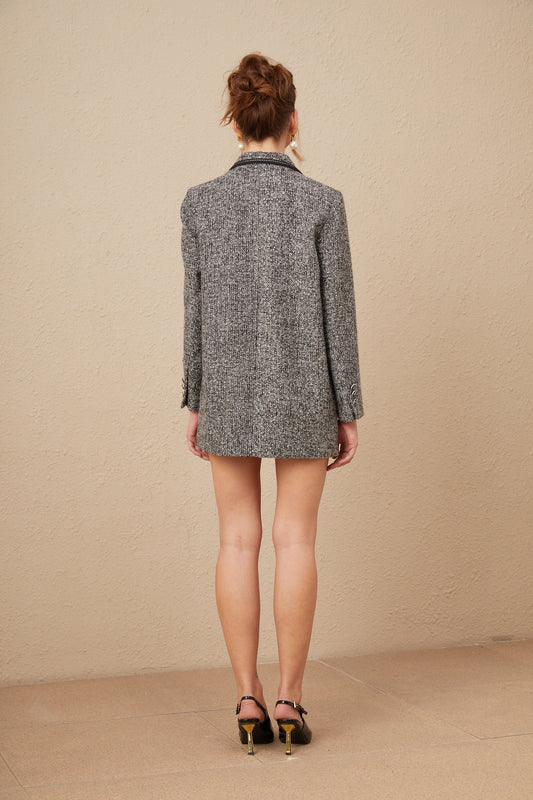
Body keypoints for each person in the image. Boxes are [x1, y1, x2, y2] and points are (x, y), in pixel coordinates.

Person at [179, 52, 364, 756]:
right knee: (296, 541)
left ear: (235, 123)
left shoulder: (200, 202)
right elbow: (338, 316)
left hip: (226, 389)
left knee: (236, 540)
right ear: (293, 122)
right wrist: (347, 407)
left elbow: (195, 310)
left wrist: (196, 397)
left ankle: (246, 699)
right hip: (305, 389)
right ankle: (288, 699)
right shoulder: (322, 202)